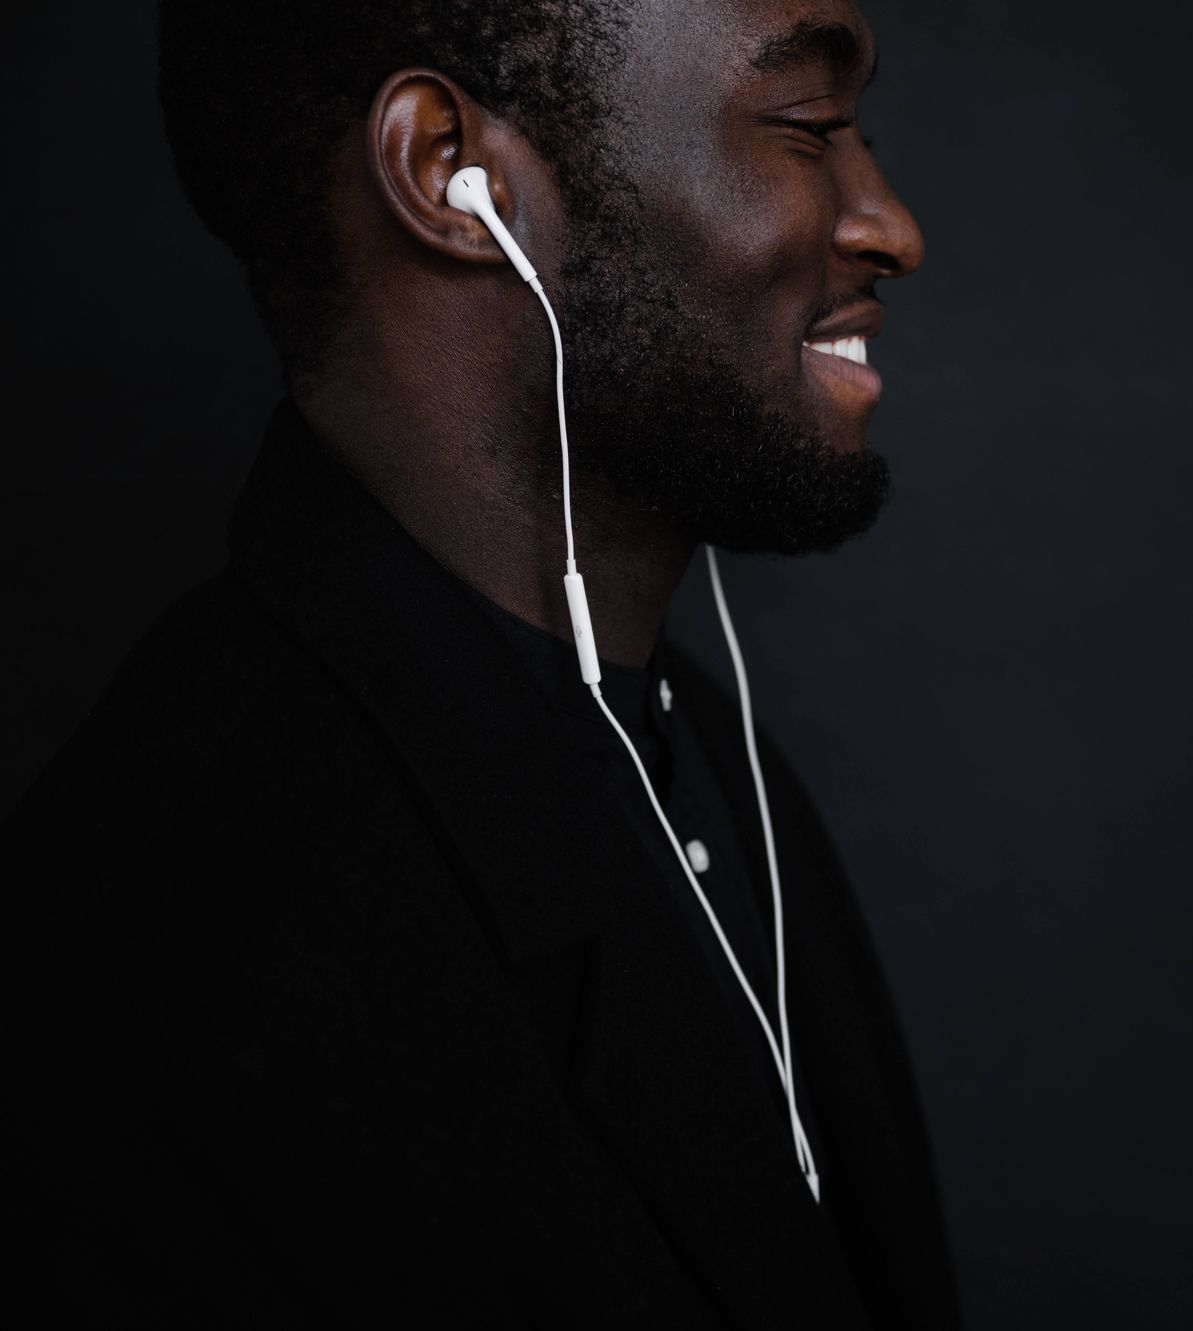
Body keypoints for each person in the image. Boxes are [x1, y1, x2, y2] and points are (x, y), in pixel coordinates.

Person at [2, 1, 957, 1325]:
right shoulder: (165, 993)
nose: (888, 224)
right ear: (451, 173)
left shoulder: (711, 764)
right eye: (807, 125)